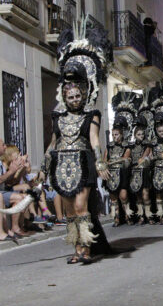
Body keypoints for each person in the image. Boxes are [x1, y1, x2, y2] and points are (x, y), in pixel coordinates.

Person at [40, 21, 113, 263]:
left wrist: (101, 164)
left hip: (84, 166)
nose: (73, 99)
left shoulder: (91, 115)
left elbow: (94, 140)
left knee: (82, 208)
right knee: (70, 211)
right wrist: (43, 168)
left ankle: (86, 249)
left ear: (84, 94)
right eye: (69, 95)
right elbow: (53, 143)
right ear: (64, 95)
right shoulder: (57, 116)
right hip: (61, 166)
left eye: (77, 95)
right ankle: (77, 247)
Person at [104, 117, 131, 226]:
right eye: (113, 135)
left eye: (117, 135)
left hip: (122, 173)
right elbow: (105, 160)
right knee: (113, 197)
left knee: (123, 196)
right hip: (111, 174)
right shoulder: (109, 146)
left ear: (121, 135)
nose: (115, 137)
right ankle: (116, 218)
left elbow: (125, 158)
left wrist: (112, 161)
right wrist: (108, 163)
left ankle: (127, 215)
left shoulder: (127, 146)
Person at [128, 115, 151, 225]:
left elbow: (144, 156)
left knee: (145, 194)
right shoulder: (131, 146)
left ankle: (149, 215)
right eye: (138, 134)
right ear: (134, 135)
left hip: (144, 171)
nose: (141, 136)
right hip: (134, 173)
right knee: (138, 196)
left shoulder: (147, 144)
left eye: (142, 134)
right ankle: (141, 216)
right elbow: (128, 157)